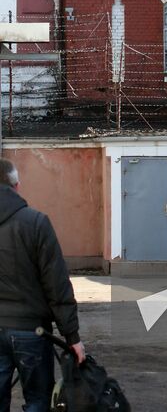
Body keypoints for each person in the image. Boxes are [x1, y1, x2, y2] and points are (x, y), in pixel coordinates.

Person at [0, 158, 85, 412]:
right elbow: (56, 283)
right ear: (16, 186)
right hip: (31, 332)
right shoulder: (35, 223)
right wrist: (72, 336)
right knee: (38, 401)